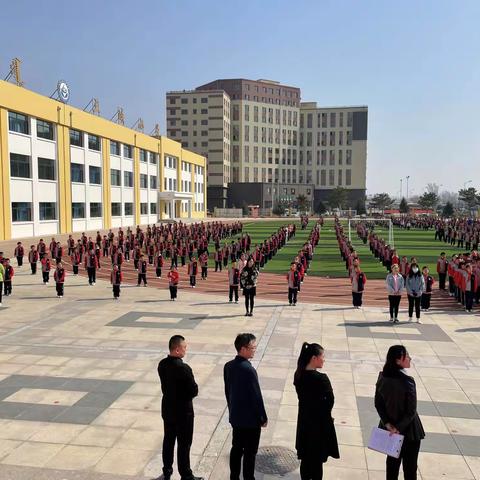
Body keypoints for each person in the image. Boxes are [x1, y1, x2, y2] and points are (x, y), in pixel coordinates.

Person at [375, 345, 425, 480]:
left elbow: (378, 404)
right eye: (407, 356)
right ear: (398, 361)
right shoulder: (407, 381)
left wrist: (388, 424)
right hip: (410, 432)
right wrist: (398, 428)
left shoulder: (382, 377)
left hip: (390, 431)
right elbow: (411, 411)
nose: (410, 358)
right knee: (410, 468)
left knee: (391, 467)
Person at [158, 335, 203, 480]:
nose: (186, 349)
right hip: (184, 413)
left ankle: (167, 469)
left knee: (168, 440)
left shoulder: (162, 364)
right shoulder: (184, 368)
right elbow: (193, 390)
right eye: (184, 347)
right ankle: (186, 474)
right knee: (184, 444)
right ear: (177, 350)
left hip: (168, 409)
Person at [224, 333, 267, 480]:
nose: (254, 349)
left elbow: (227, 392)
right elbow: (256, 397)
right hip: (250, 421)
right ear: (243, 349)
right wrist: (263, 418)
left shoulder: (228, 366)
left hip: (236, 417)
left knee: (236, 448)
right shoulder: (249, 370)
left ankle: (234, 477)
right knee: (250, 452)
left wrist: (232, 411)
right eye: (252, 347)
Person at [294, 343, 339, 480]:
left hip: (304, 424)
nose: (324, 359)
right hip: (318, 426)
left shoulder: (299, 375)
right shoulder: (321, 379)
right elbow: (329, 402)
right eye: (322, 356)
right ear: (314, 358)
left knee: (306, 461)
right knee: (316, 464)